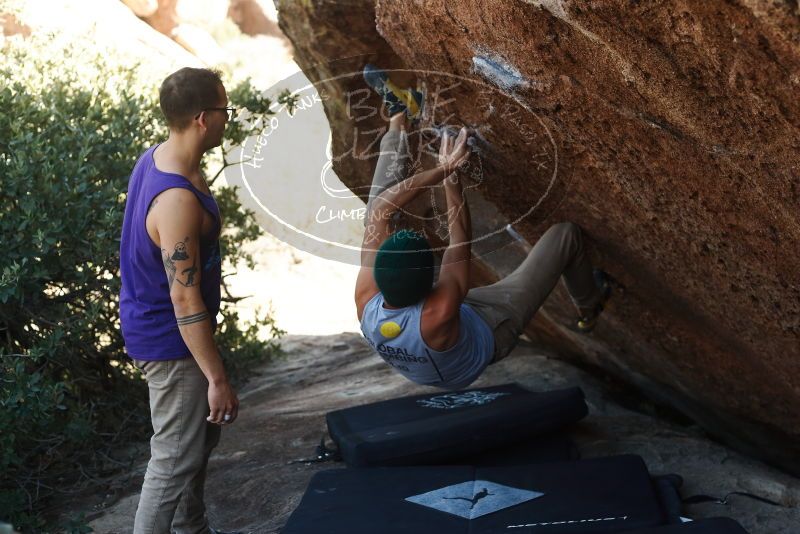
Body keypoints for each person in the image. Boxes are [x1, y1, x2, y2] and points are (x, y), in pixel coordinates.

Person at [355, 65, 614, 390]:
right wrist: (451, 176)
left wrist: (441, 169)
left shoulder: (367, 298)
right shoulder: (439, 310)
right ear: (432, 282)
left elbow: (381, 210)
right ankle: (589, 305)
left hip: (427, 336)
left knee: (374, 216)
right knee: (565, 236)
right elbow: (459, 237)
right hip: (479, 341)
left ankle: (400, 113)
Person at [119, 67, 240, 534]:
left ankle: (193, 529)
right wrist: (217, 376)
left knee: (196, 443)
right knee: (173, 457)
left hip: (173, 333)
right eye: (226, 111)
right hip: (171, 341)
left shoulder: (160, 157)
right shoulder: (176, 199)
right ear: (205, 119)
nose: (229, 119)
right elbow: (183, 295)